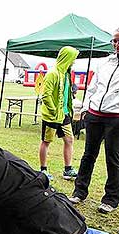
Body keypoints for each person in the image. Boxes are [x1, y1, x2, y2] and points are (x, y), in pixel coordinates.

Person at [69, 28, 119, 214]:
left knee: (113, 158)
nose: (116, 44)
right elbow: (92, 87)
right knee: (88, 154)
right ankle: (79, 191)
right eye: (114, 40)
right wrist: (84, 108)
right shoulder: (104, 63)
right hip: (94, 114)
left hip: (115, 117)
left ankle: (111, 199)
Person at [39, 46, 79, 181]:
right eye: (73, 59)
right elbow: (46, 95)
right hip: (52, 115)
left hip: (64, 114)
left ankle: (68, 170)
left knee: (69, 139)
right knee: (46, 141)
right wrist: (53, 110)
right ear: (67, 58)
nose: (74, 62)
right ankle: (43, 170)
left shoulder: (66, 74)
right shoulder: (53, 73)